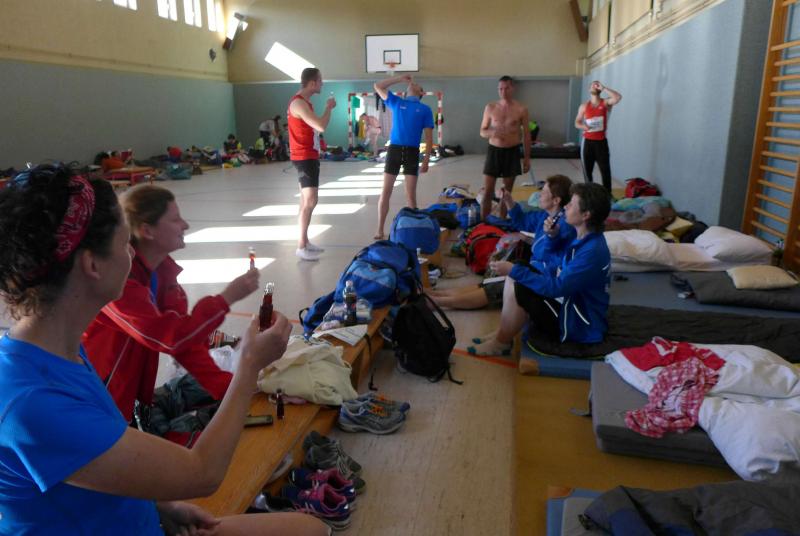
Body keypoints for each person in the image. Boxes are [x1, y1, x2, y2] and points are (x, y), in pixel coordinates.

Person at [0, 163, 327, 535]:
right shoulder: (31, 403)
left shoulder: (57, 351)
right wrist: (248, 366)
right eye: (124, 244)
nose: (131, 254)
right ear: (92, 265)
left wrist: (158, 507)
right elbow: (203, 474)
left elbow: (91, 465)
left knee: (308, 529)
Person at [82, 184, 260, 422]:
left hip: (127, 395)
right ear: (147, 230)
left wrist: (226, 388)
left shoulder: (163, 272)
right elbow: (170, 337)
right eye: (175, 219)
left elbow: (185, 344)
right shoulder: (119, 282)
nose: (185, 225)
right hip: (96, 400)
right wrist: (226, 298)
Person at [467, 183, 612, 356]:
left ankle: (501, 342)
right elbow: (555, 267)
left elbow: (556, 287)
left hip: (577, 324)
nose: (566, 206)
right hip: (570, 304)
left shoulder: (591, 251)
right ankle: (503, 333)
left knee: (520, 283)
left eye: (571, 204)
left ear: (586, 215)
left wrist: (515, 271)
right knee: (520, 268)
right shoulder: (583, 239)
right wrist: (550, 238)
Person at [428, 175, 575, 310]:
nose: (539, 195)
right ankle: (437, 295)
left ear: (556, 200)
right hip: (534, 269)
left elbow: (547, 255)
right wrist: (509, 201)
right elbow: (522, 222)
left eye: (544, 192)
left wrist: (549, 237)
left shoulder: (564, 227)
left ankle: (437, 302)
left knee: (495, 288)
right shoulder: (546, 216)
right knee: (488, 283)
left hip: (542, 277)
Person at [373, 74, 434, 239]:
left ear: (421, 93)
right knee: (386, 191)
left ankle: (413, 230)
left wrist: (426, 161)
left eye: (417, 85)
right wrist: (399, 78)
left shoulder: (425, 109)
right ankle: (380, 229)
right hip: (394, 150)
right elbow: (378, 86)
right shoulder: (398, 102)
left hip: (412, 152)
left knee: (410, 195)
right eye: (412, 84)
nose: (414, 84)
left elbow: (429, 139)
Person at [288, 67, 335, 261]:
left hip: (309, 155)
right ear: (313, 83)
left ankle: (305, 241)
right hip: (303, 157)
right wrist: (329, 107)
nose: (322, 84)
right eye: (320, 80)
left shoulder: (305, 103)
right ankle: (301, 246)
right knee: (310, 201)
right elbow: (320, 126)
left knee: (305, 201)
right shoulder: (299, 103)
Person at [479, 76, 531, 221]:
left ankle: (501, 222)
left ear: (512, 88)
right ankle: (483, 223)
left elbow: (527, 135)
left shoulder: (521, 109)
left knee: (506, 193)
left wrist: (527, 158)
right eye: (500, 89)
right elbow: (482, 131)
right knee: (488, 191)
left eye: (506, 88)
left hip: (512, 152)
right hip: (494, 151)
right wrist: (492, 133)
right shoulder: (490, 107)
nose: (503, 91)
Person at [574, 80, 622, 192]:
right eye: (592, 85)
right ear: (589, 89)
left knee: (605, 171)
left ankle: (607, 195)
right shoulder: (584, 106)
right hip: (587, 142)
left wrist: (604, 88)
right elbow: (577, 122)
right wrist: (583, 126)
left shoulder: (605, 103)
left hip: (601, 142)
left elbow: (618, 97)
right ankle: (589, 194)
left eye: (597, 85)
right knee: (587, 171)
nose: (595, 86)